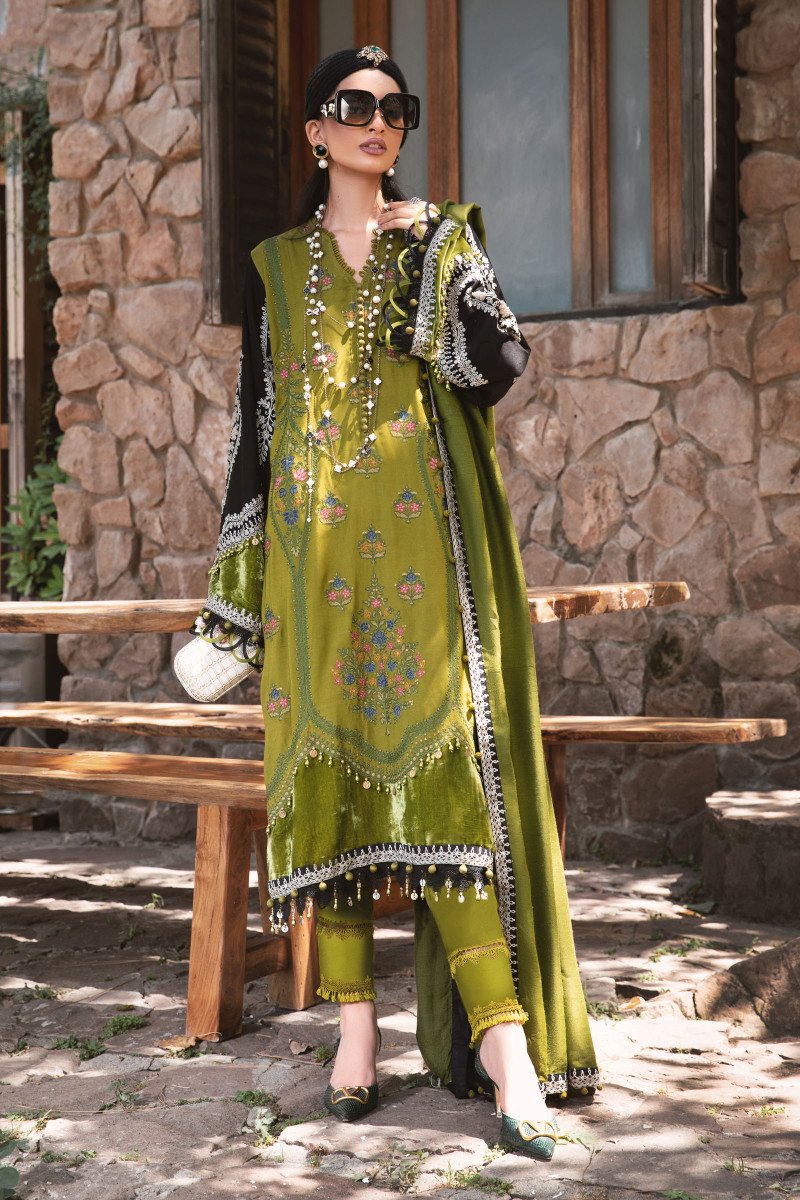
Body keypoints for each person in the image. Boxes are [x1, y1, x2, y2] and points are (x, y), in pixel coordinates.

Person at [181, 44, 600, 1162]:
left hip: (423, 549)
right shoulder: (273, 267)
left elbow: (495, 367)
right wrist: (233, 601)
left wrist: (443, 262)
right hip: (309, 562)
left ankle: (506, 1049)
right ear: (314, 131)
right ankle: (355, 1035)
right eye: (353, 106)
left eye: (395, 109)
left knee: (441, 776)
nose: (379, 122)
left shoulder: (438, 239)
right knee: (328, 783)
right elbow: (255, 434)